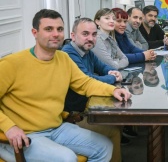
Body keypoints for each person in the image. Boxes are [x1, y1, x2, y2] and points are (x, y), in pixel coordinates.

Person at [0, 9, 131, 161]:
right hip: (24, 135)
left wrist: (113, 90)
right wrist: (9, 127)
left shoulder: (63, 58)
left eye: (59, 29)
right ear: (35, 33)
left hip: (56, 128)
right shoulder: (12, 64)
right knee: (67, 158)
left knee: (104, 146)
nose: (56, 34)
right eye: (49, 29)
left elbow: (85, 83)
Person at [61, 17, 129, 161]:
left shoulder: (87, 51)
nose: (90, 38)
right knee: (114, 131)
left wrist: (112, 72)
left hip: (86, 106)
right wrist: (113, 77)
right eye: (85, 34)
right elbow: (88, 79)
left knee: (118, 122)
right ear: (73, 36)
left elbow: (103, 67)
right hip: (72, 116)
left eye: (94, 34)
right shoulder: (68, 53)